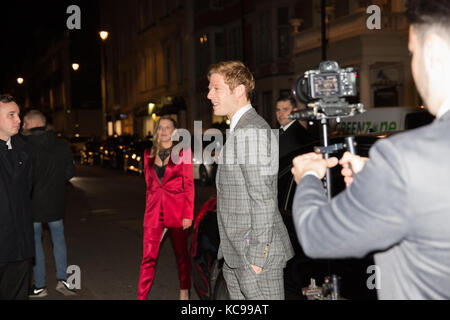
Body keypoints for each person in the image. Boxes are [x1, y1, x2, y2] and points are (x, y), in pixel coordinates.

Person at [291, 0, 450, 299]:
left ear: (433, 52)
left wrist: (310, 177)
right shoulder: (405, 164)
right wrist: (378, 178)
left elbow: (317, 235)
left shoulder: (403, 159)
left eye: (412, 53)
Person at [207, 61, 294, 300]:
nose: (209, 94)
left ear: (239, 90)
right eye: (209, 88)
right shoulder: (239, 128)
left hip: (255, 258)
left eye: (216, 88)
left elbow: (264, 199)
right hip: (236, 254)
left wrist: (256, 258)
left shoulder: (251, 131)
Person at [138, 115, 194, 300]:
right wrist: (147, 214)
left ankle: (184, 290)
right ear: (156, 131)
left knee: (181, 255)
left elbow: (189, 185)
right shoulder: (148, 154)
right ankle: (141, 296)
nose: (163, 131)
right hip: (154, 213)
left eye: (167, 127)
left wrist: (188, 214)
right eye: (160, 127)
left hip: (177, 211)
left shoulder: (183, 152)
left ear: (174, 131)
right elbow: (149, 187)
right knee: (148, 257)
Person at [21, 110, 76, 298]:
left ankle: (40, 285)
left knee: (35, 243)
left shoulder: (23, 146)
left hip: (32, 203)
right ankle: (63, 280)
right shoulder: (61, 144)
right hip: (56, 202)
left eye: (23, 123)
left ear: (28, 125)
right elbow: (70, 173)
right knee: (59, 239)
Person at [0, 94, 34, 300]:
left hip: (20, 248)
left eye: (18, 115)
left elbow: (25, 193)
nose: (19, 120)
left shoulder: (24, 150)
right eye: (11, 115)